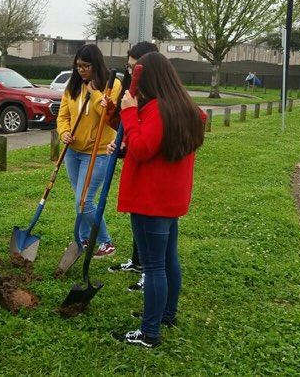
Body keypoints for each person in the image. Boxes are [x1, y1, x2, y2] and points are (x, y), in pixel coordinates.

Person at [111, 52, 205, 349]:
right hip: (170, 196)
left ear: (148, 77)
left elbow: (142, 149)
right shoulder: (185, 108)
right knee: (167, 259)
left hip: (150, 198)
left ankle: (149, 332)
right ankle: (165, 314)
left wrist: (128, 113)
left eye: (134, 73)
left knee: (153, 266)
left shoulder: (157, 110)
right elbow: (155, 146)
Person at [57, 44, 122, 258]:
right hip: (73, 152)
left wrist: (94, 93)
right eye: (78, 66)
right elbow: (63, 115)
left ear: (96, 65)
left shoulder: (112, 86)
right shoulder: (72, 86)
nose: (81, 70)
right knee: (80, 199)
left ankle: (106, 242)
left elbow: (106, 113)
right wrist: (64, 132)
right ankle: (83, 238)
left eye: (86, 66)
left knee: (84, 201)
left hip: (98, 152)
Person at [107, 41, 159, 293]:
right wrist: (122, 148)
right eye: (128, 69)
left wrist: (130, 141)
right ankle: (139, 262)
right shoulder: (134, 90)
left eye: (133, 68)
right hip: (138, 172)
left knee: (155, 243)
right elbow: (132, 135)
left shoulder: (157, 102)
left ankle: (149, 273)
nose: (129, 74)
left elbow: (145, 144)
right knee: (139, 223)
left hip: (153, 183)